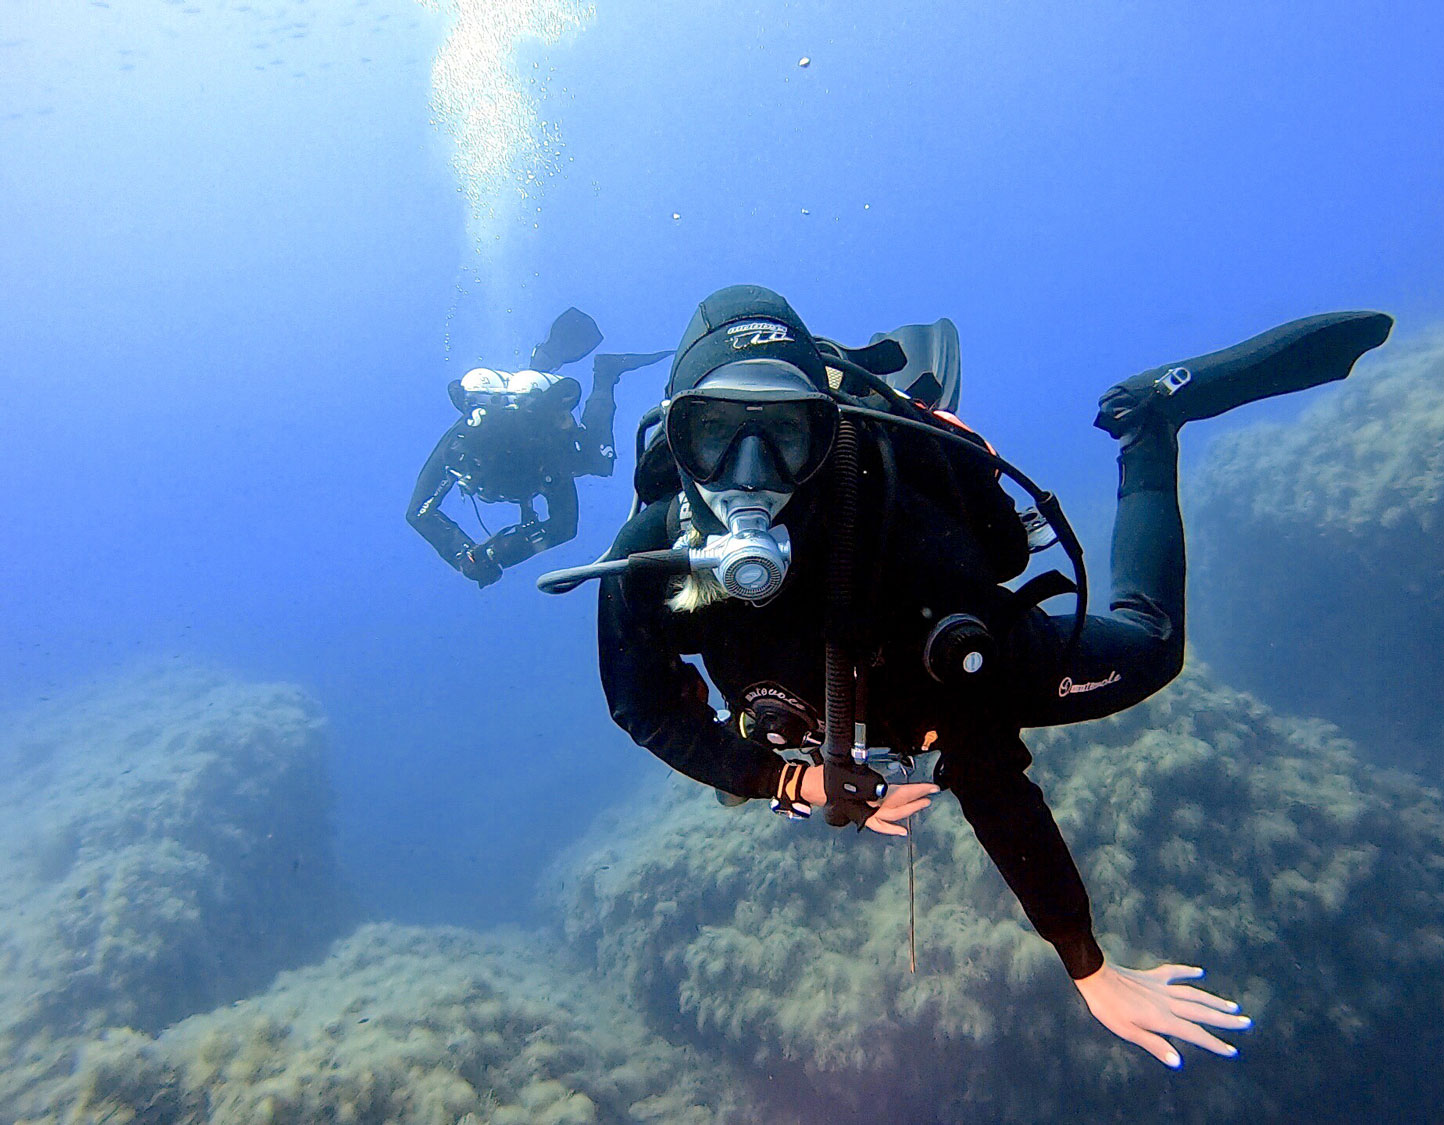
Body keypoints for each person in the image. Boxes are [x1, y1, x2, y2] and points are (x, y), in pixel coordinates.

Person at [593, 285, 1392, 1067]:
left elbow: (984, 764)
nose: (752, 471)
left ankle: (1152, 416)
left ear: (826, 429)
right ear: (679, 437)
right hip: (840, 705)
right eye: (718, 433)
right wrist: (789, 779)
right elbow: (643, 704)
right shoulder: (646, 556)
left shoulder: (902, 537)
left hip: (937, 650)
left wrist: (1087, 962)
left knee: (1152, 648)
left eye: (785, 435)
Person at [406, 308, 671, 586]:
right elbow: (563, 527)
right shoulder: (462, 446)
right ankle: (549, 366)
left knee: (599, 462)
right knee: (576, 448)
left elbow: (420, 512)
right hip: (536, 442)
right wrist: (479, 555)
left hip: (541, 450)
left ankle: (604, 374)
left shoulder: (471, 447)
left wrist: (481, 555)